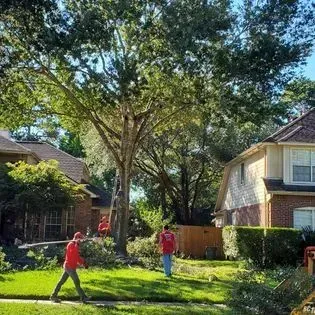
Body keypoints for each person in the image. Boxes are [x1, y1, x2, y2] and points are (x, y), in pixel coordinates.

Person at [50, 231, 90, 303]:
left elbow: (77, 257)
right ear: (77, 238)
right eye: (80, 239)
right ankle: (83, 297)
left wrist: (84, 263)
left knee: (61, 282)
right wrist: (76, 244)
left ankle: (53, 296)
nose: (81, 241)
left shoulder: (75, 245)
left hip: (70, 267)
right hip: (69, 267)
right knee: (77, 281)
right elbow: (73, 252)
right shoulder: (71, 244)